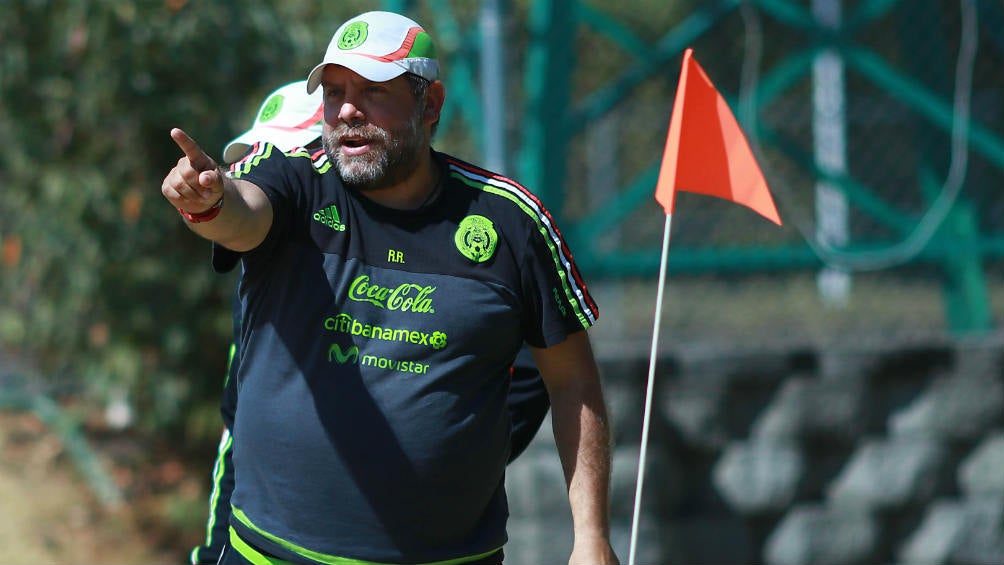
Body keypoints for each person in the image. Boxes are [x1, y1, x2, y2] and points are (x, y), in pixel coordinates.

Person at [163, 10, 617, 565]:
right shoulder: (295, 181)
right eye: (334, 92)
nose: (348, 110)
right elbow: (243, 212)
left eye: (372, 91)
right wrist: (209, 203)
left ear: (430, 105)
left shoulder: (509, 223)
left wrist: (591, 537)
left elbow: (573, 382)